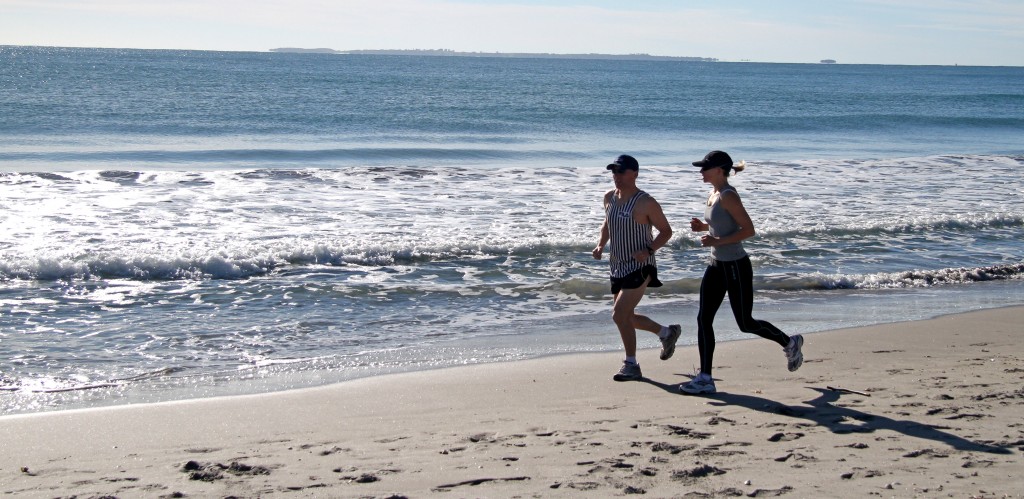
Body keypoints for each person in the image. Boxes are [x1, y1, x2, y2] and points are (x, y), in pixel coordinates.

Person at [680, 150, 804, 395]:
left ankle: (790, 342)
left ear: (718, 170)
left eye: (704, 167)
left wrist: (715, 240)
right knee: (703, 319)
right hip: (716, 265)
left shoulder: (728, 195)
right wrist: (703, 228)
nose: (700, 171)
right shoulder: (713, 194)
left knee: (745, 323)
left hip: (736, 265)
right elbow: (724, 225)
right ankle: (705, 378)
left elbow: (748, 230)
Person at [593, 154, 682, 382]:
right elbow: (608, 223)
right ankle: (666, 333)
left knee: (618, 314)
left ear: (635, 174)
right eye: (614, 172)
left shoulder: (646, 202)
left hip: (641, 266)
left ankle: (631, 364)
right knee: (626, 317)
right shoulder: (609, 197)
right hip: (617, 265)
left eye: (621, 172)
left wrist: (649, 251)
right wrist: (601, 244)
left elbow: (666, 231)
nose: (617, 176)